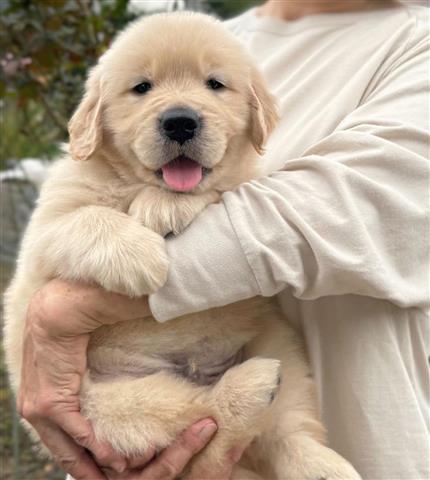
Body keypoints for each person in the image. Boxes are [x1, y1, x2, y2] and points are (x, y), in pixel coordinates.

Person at [17, 0, 429, 479]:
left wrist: (62, 312)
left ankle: (282, 443)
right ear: (96, 116)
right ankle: (227, 422)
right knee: (122, 417)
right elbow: (51, 243)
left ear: (258, 112)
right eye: (142, 87)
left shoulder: (415, 40)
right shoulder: (221, 35)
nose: (180, 111)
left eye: (214, 85)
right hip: (125, 414)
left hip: (364, 430)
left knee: (270, 360)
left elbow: (357, 203)